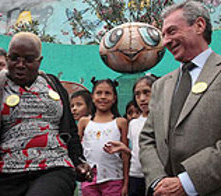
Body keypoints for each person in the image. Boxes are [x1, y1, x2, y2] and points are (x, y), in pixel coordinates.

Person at [0, 13, 91, 196]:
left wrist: (78, 161)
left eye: (28, 60)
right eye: (14, 58)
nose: (20, 65)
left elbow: (69, 130)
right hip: (5, 175)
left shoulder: (53, 84)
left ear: (39, 61)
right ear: (8, 58)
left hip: (54, 167)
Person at [139, 1, 221, 196]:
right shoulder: (160, 86)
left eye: (172, 31)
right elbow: (147, 138)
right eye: (164, 35)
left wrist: (188, 182)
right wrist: (158, 181)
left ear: (199, 25)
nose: (166, 41)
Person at [105, 75, 156, 196]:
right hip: (135, 175)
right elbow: (136, 151)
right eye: (137, 94)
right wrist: (124, 149)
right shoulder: (133, 124)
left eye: (146, 92)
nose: (142, 98)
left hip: (156, 176)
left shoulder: (162, 120)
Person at [78, 77, 129, 196]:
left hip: (114, 178)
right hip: (88, 177)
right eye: (99, 93)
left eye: (108, 93)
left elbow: (125, 155)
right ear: (92, 97)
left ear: (114, 98)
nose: (103, 97)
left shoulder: (120, 122)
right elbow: (76, 150)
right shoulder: (84, 122)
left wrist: (126, 182)